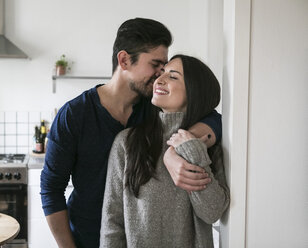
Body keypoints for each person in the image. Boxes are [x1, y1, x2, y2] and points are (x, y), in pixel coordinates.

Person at [40, 18, 222, 248]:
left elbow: (213, 117)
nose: (160, 75)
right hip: (87, 237)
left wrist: (175, 149)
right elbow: (51, 190)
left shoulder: (155, 106)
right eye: (156, 65)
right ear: (124, 60)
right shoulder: (74, 115)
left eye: (165, 68)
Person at [100, 55, 230, 247]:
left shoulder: (210, 146)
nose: (159, 80)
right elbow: (112, 220)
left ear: (195, 91)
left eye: (173, 76)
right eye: (161, 74)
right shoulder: (127, 142)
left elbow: (212, 212)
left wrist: (190, 149)